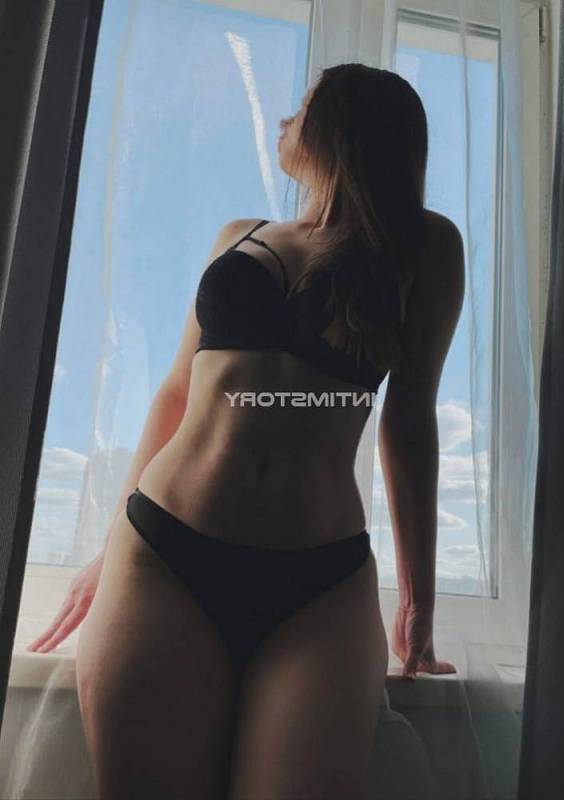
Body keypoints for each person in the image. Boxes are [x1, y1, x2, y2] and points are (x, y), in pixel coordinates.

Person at [28, 63, 463, 799]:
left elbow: (410, 422)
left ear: (342, 126)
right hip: (164, 557)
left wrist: (418, 601)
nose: (285, 119)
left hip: (319, 586)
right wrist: (110, 549)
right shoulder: (240, 236)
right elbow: (176, 395)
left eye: (303, 105)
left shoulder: (422, 249)